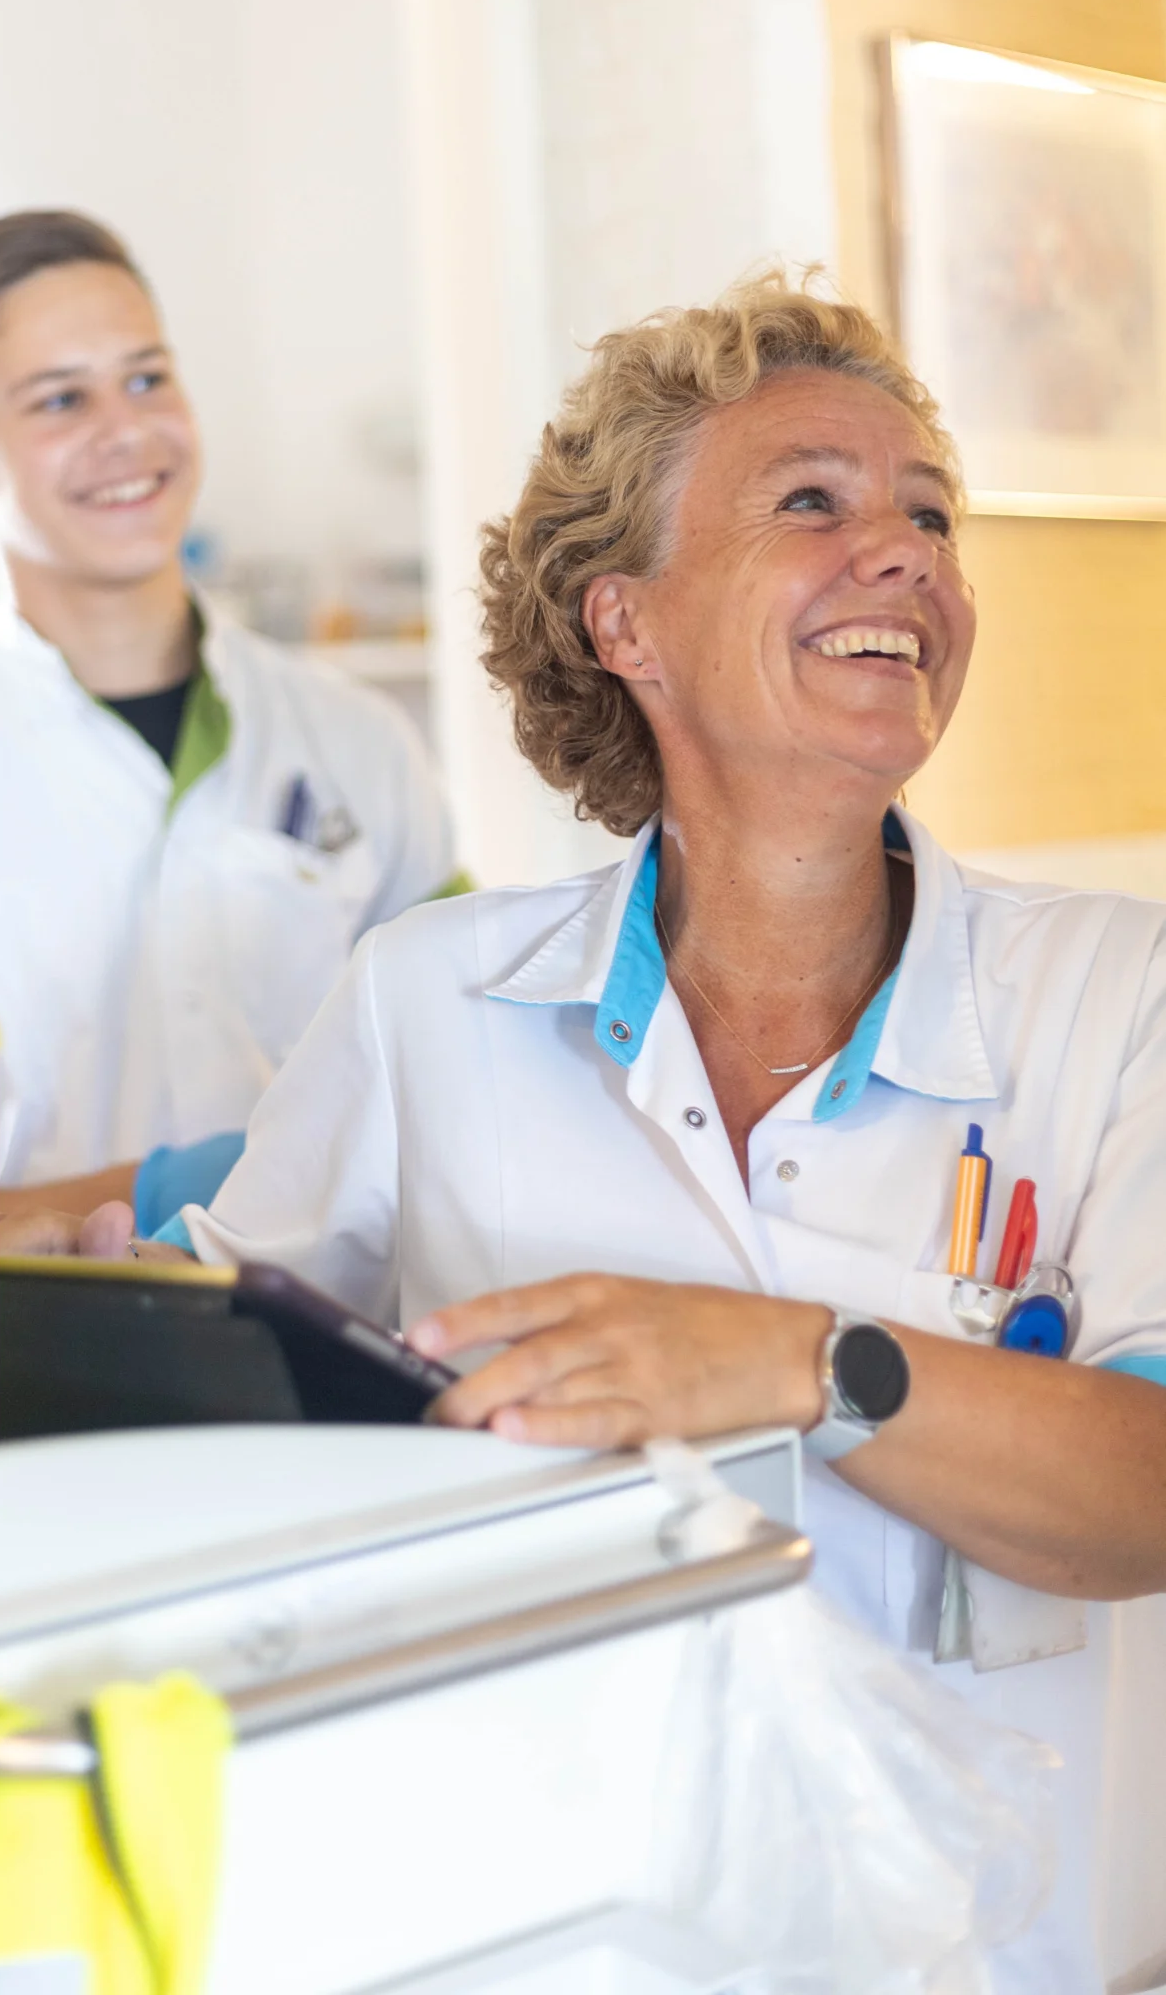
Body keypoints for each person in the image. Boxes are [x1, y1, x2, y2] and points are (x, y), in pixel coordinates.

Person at [154, 279, 1166, 1992]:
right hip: (576, 1943)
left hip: (1022, 1957)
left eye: (929, 515)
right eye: (810, 502)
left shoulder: (1114, 994)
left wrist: (790, 1364)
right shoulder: (426, 1003)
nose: (902, 554)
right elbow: (218, 1400)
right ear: (623, 621)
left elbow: (1143, 1493)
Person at [0, 210, 462, 1245]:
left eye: (147, 378)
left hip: (351, 1320)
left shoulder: (359, 743)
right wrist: (178, 1191)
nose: (127, 431)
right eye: (61, 398)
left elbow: (464, 1074)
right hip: (51, 1335)